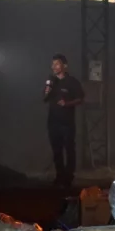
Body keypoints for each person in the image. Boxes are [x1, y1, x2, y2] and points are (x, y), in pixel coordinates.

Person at [43, 54, 84, 187]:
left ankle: (68, 176)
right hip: (53, 122)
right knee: (57, 150)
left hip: (67, 123)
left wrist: (67, 103)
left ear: (64, 66)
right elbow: (44, 98)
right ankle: (59, 175)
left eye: (57, 64)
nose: (53, 67)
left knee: (69, 149)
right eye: (52, 64)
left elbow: (80, 99)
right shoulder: (52, 81)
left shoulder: (72, 82)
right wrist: (47, 90)